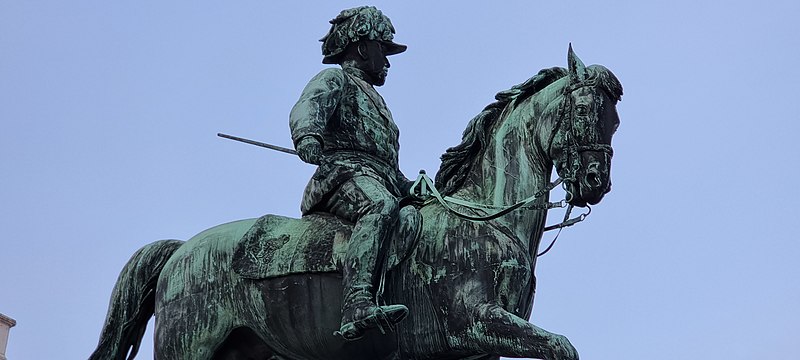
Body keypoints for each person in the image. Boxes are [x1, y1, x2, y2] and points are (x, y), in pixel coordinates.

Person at [288, 6, 415, 341]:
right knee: (379, 207)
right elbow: (308, 106)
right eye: (383, 51)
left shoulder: (378, 103)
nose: (387, 62)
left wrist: (410, 186)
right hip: (341, 177)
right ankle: (357, 303)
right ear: (363, 48)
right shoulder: (336, 79)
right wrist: (309, 136)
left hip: (377, 178)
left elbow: (387, 164)